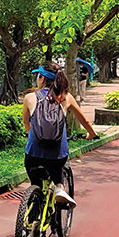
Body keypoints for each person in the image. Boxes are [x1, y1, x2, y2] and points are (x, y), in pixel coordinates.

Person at [22, 61, 97, 207]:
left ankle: (33, 211)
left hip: (33, 154)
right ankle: (59, 188)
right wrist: (91, 134)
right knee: (58, 169)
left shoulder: (30, 98)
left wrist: (35, 136)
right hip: (57, 155)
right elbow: (85, 121)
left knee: (35, 182)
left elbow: (26, 123)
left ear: (42, 78)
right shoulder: (65, 97)